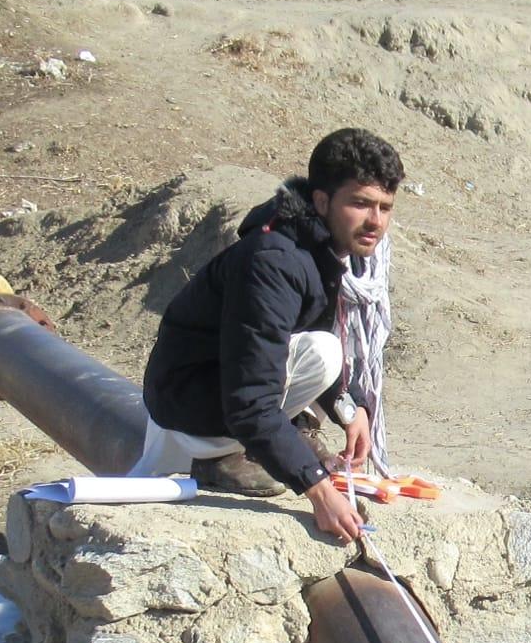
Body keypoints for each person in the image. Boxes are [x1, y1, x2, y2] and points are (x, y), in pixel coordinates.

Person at [140, 127, 403, 542]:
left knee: (325, 351)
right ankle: (221, 458)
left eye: (385, 208)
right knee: (323, 352)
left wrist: (350, 409)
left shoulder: (317, 248)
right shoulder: (274, 261)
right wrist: (317, 488)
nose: (376, 221)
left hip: (213, 390)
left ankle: (275, 442)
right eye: (360, 203)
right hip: (187, 407)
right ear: (321, 201)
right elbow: (250, 401)